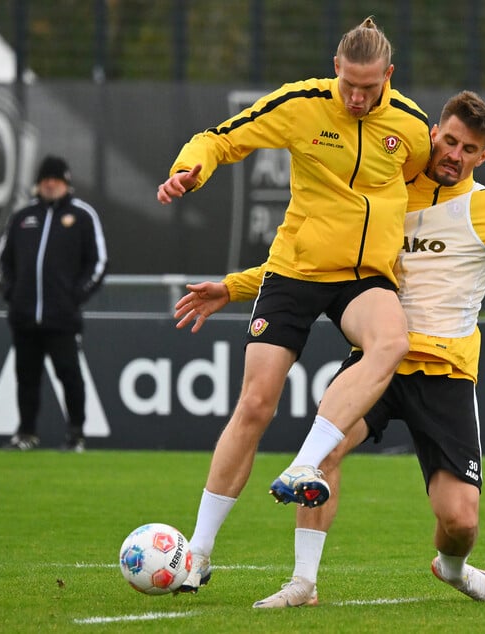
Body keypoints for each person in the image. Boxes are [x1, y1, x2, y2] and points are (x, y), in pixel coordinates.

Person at [174, 91, 485, 606]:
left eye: (469, 148)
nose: (454, 154)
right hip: (379, 363)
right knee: (324, 455)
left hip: (447, 374)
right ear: (434, 134)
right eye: (449, 140)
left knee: (459, 521)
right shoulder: (389, 189)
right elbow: (320, 263)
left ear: (483, 157)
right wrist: (235, 287)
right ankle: (303, 582)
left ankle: (451, 567)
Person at [156, 17, 430, 594]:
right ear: (336, 69)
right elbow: (221, 137)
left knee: (392, 341)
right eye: (349, 85)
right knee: (255, 405)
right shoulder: (301, 103)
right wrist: (190, 169)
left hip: (364, 277)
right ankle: (197, 554)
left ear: (390, 76)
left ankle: (306, 463)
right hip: (295, 272)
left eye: (370, 87)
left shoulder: (412, 127)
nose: (357, 98)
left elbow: (409, 187)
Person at [0, 155, 108, 453]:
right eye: (45, 179)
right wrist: (12, 292)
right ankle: (26, 433)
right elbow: (3, 262)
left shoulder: (82, 216)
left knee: (69, 374)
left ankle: (76, 434)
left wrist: (74, 296)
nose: (50, 184)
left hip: (62, 317)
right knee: (26, 377)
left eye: (56, 179)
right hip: (24, 317)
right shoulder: (22, 217)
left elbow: (98, 263)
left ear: (66, 182)